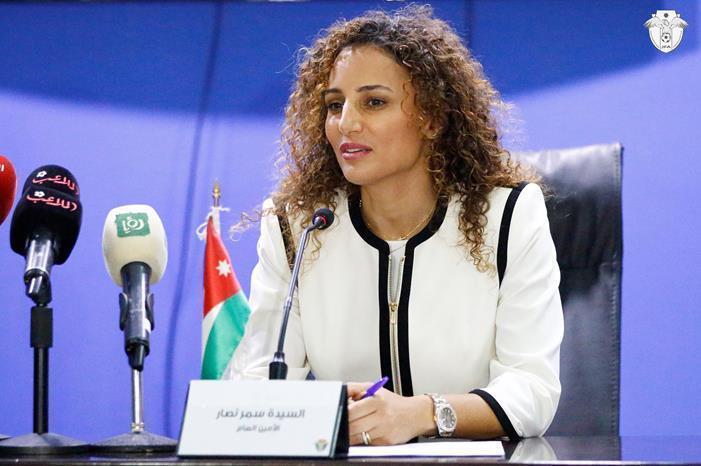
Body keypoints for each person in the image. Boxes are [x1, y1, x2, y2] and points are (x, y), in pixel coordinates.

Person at [226, 5, 563, 445]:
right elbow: (253, 384)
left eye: (374, 102)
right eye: (334, 105)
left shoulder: (509, 214)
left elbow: (533, 390)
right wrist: (328, 412)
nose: (346, 123)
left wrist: (421, 414)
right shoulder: (298, 226)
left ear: (432, 117)